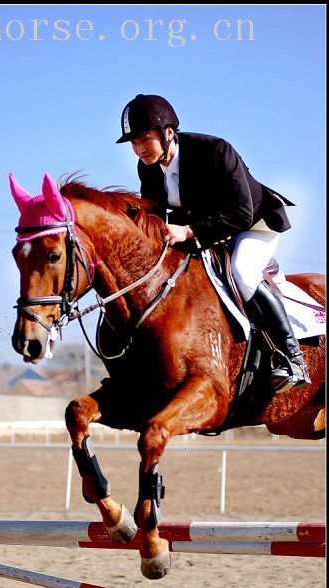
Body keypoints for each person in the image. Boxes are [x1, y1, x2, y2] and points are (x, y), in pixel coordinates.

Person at [116, 93, 310, 393]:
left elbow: (241, 213)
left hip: (254, 225)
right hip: (207, 231)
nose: (138, 148)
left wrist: (189, 231)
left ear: (168, 133)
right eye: (133, 143)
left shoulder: (215, 151)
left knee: (242, 273)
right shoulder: (149, 168)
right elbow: (154, 213)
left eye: (144, 139)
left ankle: (291, 358)